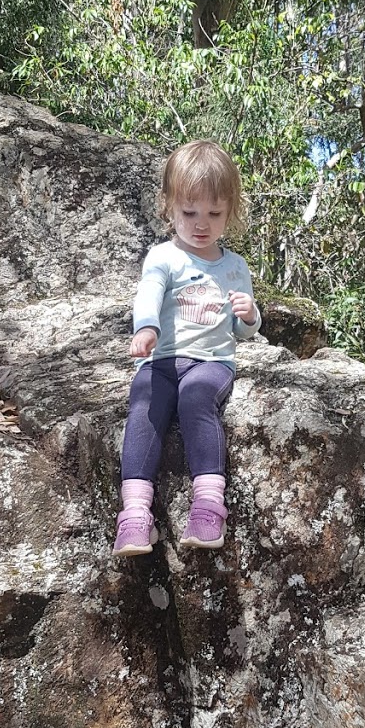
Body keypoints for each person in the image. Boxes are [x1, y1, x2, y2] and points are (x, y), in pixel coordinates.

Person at [113, 140, 261, 557]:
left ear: (230, 210)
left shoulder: (234, 266)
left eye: (214, 214)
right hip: (161, 358)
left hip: (212, 361)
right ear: (169, 207)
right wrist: (145, 329)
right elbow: (148, 294)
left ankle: (209, 505)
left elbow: (243, 330)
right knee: (144, 405)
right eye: (189, 212)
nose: (201, 224)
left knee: (196, 400)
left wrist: (249, 315)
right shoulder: (163, 256)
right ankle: (136, 515)